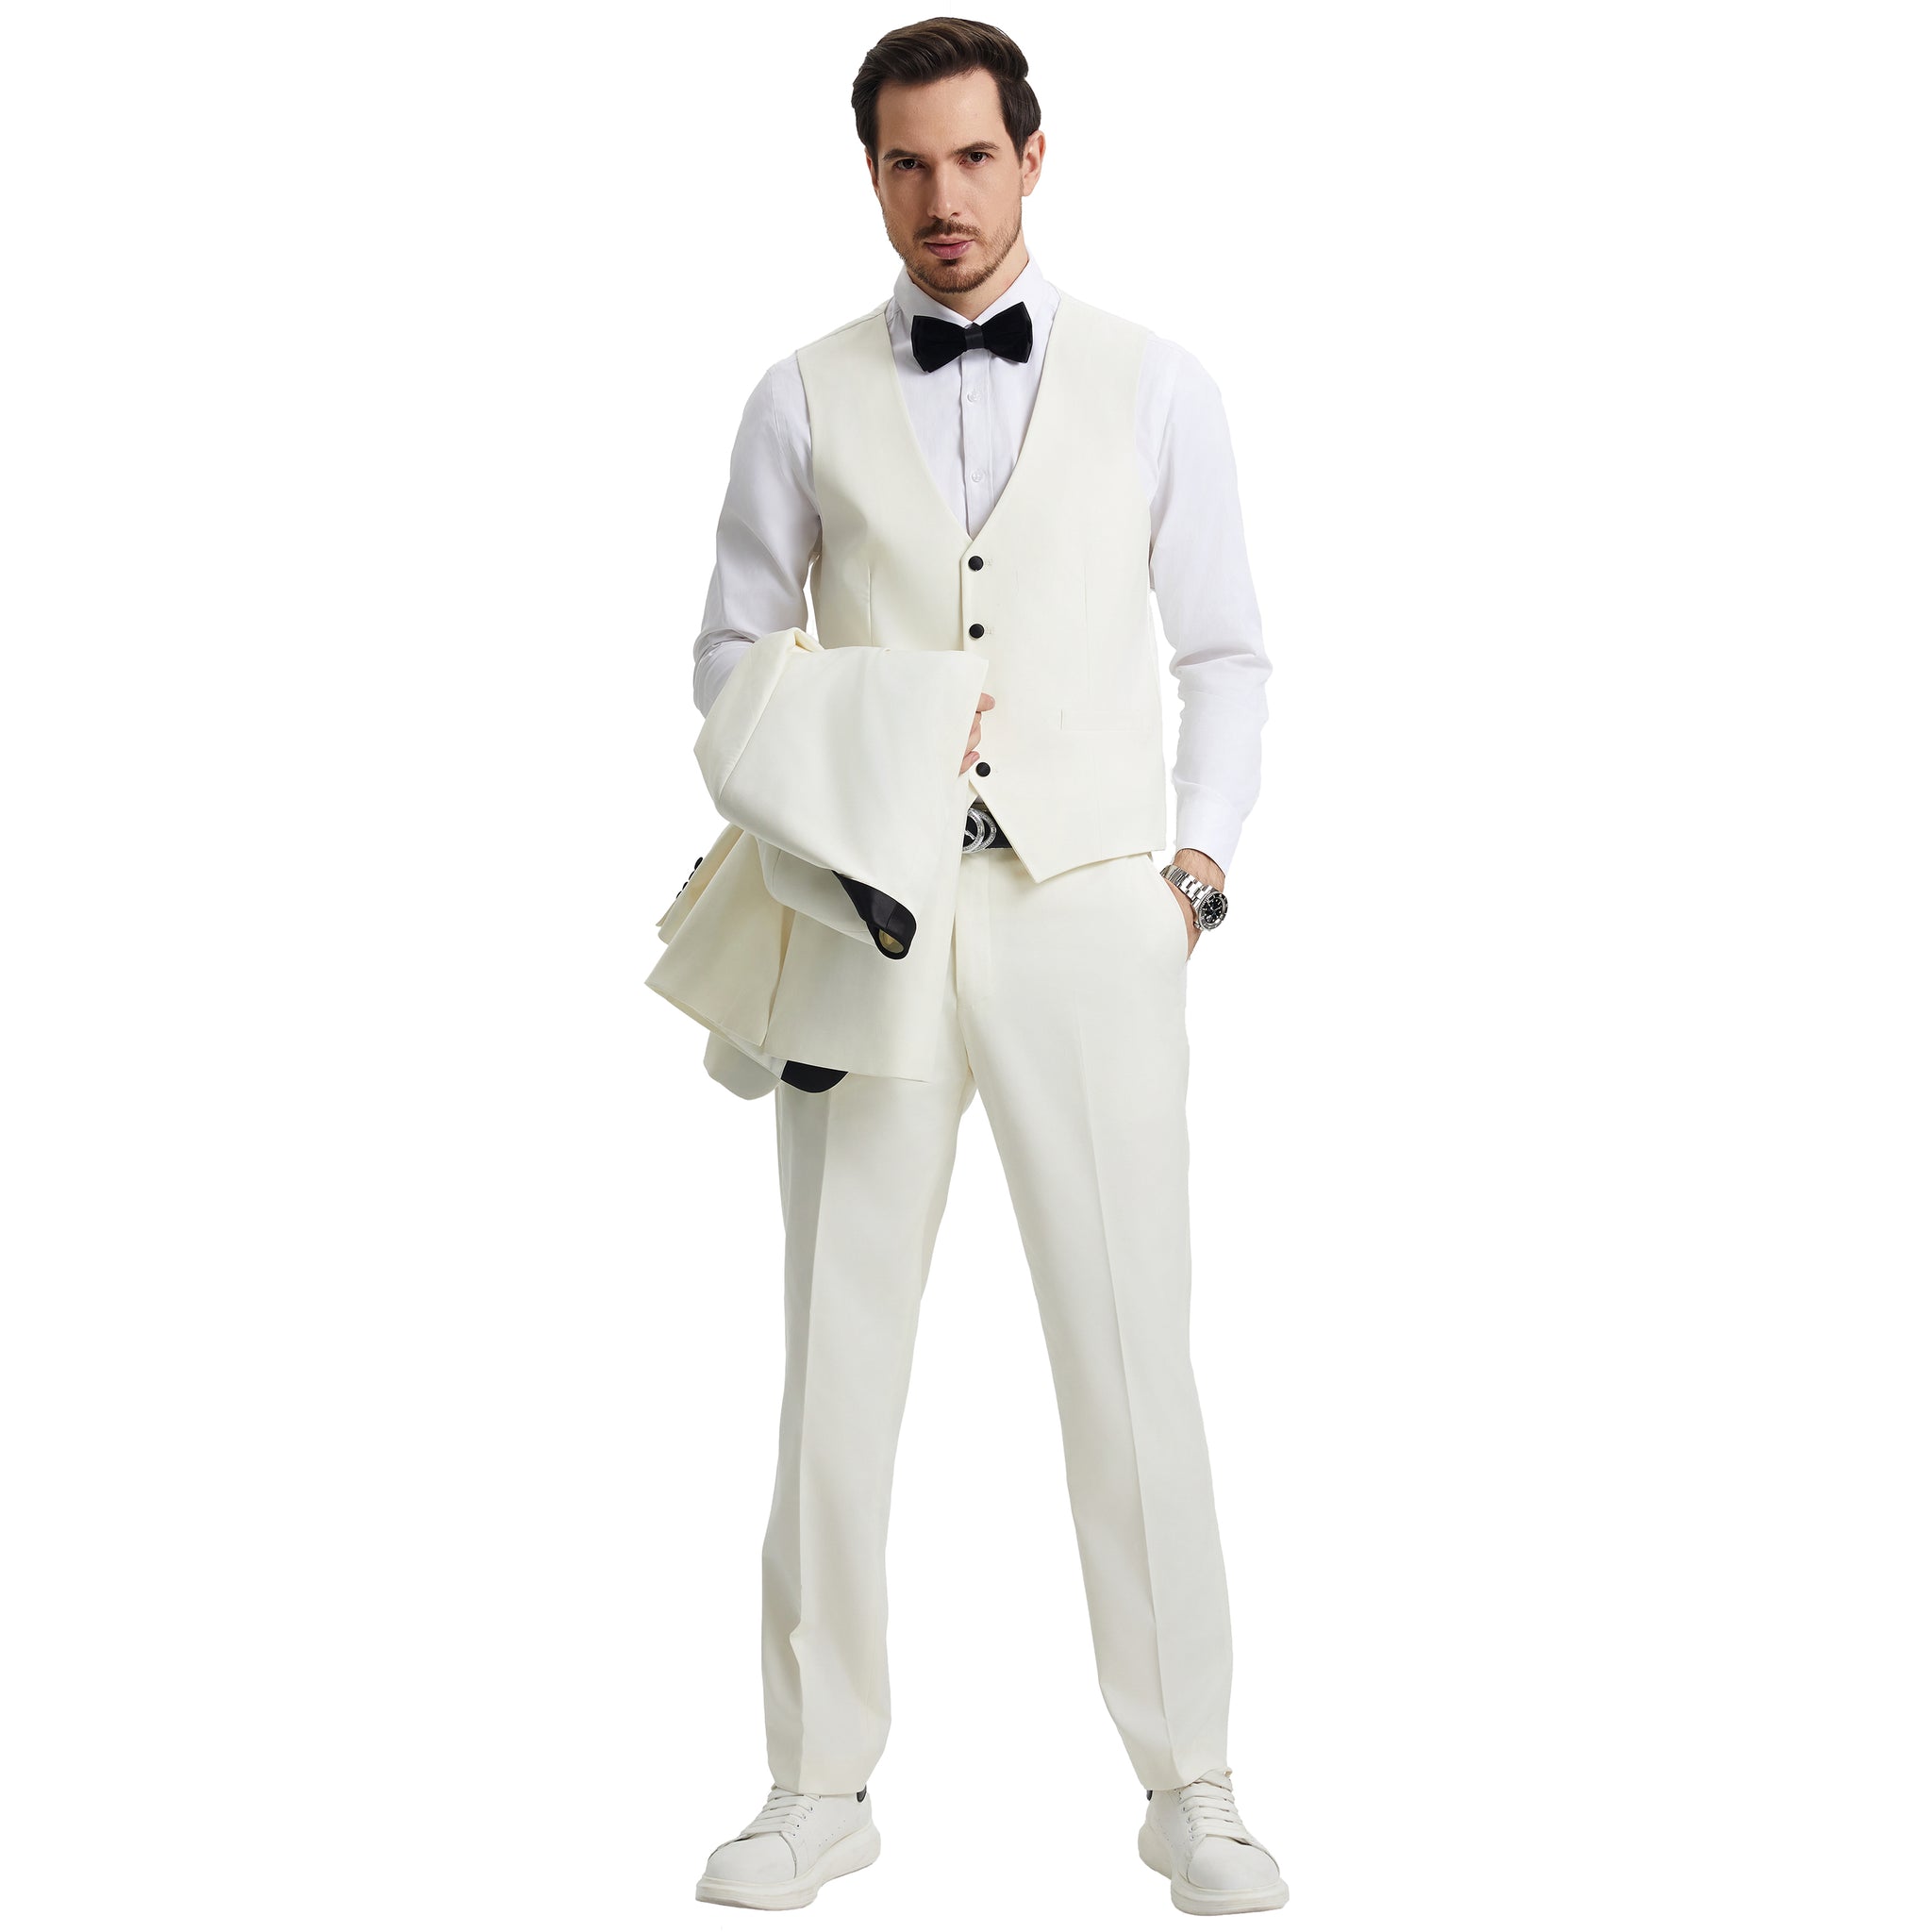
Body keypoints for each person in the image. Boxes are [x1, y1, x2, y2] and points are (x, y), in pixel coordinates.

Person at [685, 19, 1281, 1914]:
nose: (940, 197)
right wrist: (847, 783)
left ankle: (1192, 1780)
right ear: (870, 174)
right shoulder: (796, 396)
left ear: (1032, 155)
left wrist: (1192, 878)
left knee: (1130, 1352)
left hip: (1092, 910)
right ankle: (816, 1783)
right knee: (835, 1364)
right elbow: (728, 667)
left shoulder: (1156, 383)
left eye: (969, 156)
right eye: (904, 163)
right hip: (863, 921)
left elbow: (1227, 655)